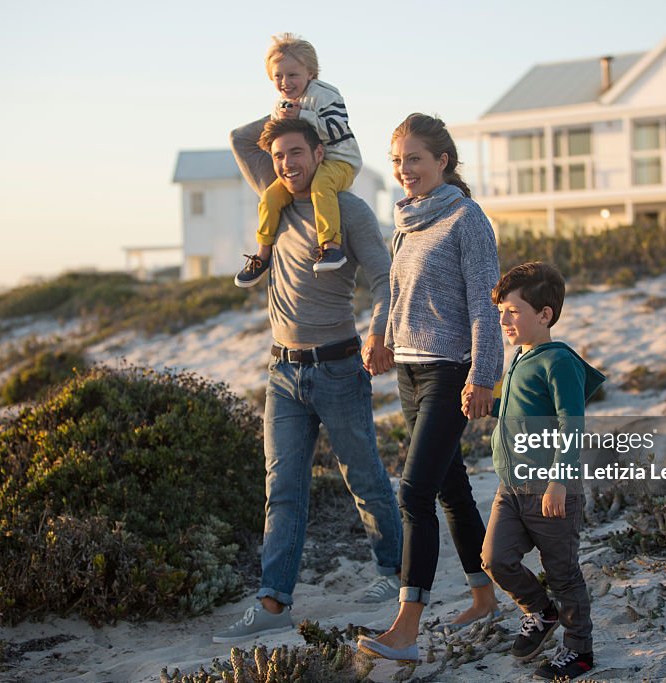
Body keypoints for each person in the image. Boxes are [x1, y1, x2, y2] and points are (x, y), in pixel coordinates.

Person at [212, 115, 402, 643]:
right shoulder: (272, 197)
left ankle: (395, 574)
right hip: (282, 372)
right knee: (283, 489)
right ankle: (273, 602)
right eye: (279, 156)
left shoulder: (348, 210)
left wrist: (378, 332)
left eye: (297, 152)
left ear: (320, 155)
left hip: (340, 366)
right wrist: (283, 107)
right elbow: (237, 139)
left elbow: (385, 277)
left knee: (363, 478)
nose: (288, 164)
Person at [357, 113, 503, 663]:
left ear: (443, 161)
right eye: (397, 161)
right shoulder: (406, 222)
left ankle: (406, 629)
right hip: (410, 371)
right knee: (449, 488)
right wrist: (382, 337)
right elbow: (398, 294)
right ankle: (484, 596)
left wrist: (483, 374)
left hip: (450, 370)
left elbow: (485, 306)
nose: (404, 170)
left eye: (414, 159)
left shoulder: (467, 219)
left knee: (412, 494)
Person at [481, 262, 605, 680]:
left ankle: (579, 650)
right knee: (494, 559)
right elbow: (522, 408)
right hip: (511, 488)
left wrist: (558, 481)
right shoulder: (521, 357)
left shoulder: (559, 362)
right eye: (501, 311)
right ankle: (540, 610)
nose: (503, 319)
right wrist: (488, 405)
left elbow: (572, 423)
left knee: (563, 573)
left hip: (553, 490)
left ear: (544, 315)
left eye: (512, 311)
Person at [234, 32, 362, 287]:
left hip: (340, 161)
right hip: (308, 166)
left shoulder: (325, 94)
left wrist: (303, 115)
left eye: (293, 75)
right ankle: (263, 254)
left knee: (321, 185)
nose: (285, 82)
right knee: (270, 196)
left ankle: (331, 246)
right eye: (278, 76)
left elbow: (339, 128)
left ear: (311, 73)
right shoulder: (280, 103)